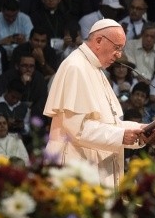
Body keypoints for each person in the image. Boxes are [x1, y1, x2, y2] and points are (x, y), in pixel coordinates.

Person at [43, 19, 146, 192]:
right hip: (74, 168)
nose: (119, 55)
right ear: (99, 41)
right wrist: (121, 136)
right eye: (117, 47)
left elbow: (107, 123)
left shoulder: (94, 68)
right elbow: (78, 129)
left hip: (91, 166)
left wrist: (142, 128)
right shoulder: (76, 67)